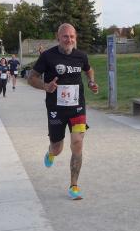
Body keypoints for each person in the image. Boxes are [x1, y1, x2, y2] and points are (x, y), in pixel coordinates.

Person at [28, 23, 99, 200]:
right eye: (65, 36)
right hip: (56, 109)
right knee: (57, 148)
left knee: (77, 143)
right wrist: (45, 86)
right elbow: (31, 77)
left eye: (72, 36)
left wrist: (91, 82)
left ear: (75, 38)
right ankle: (51, 152)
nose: (69, 40)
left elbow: (89, 69)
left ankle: (74, 185)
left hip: (77, 107)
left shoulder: (81, 56)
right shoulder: (47, 56)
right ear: (58, 37)